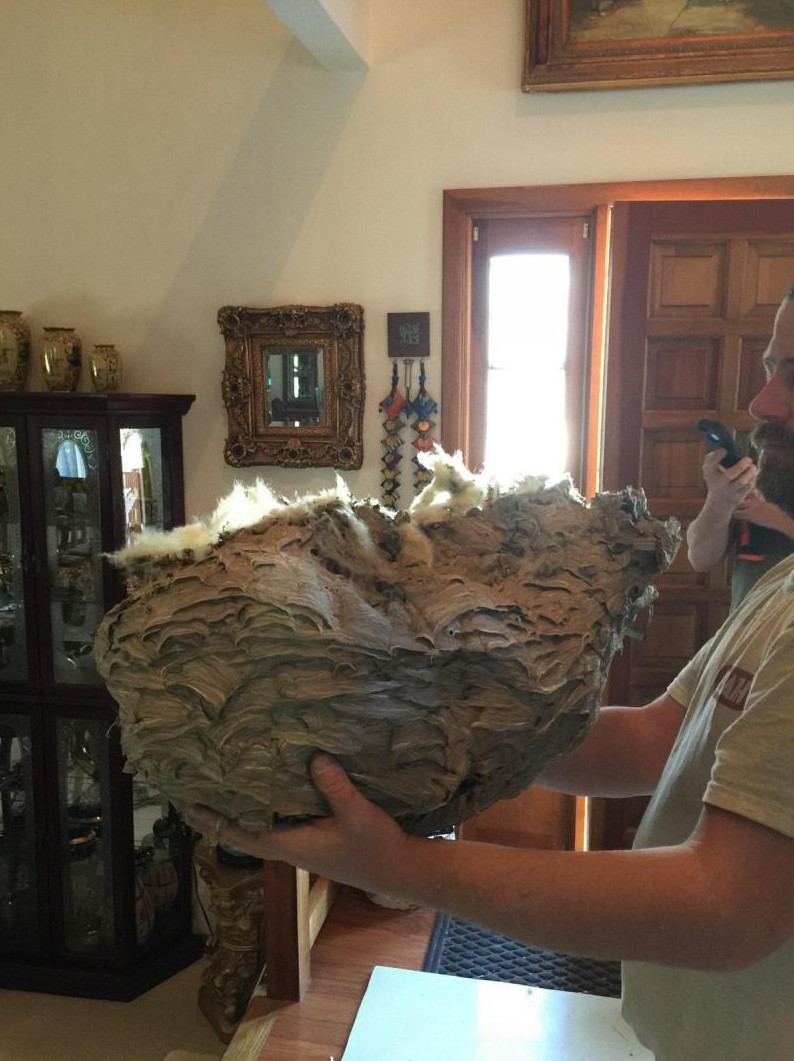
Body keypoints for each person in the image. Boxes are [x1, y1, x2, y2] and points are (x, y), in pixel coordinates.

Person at [186, 290, 794, 1061]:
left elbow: (726, 909)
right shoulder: (783, 586)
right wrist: (442, 729)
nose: (761, 401)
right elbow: (657, 740)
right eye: (772, 366)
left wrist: (401, 864)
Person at [687, 433, 794, 610]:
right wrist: (719, 500)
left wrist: (778, 519)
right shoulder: (756, 451)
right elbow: (701, 559)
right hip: (749, 621)